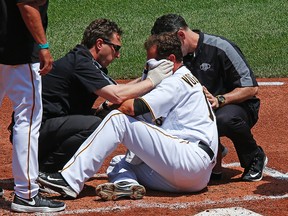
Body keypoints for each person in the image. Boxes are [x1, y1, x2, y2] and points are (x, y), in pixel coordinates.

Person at [37, 32, 218, 201]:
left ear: (171, 60)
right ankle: (127, 185)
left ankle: (70, 180)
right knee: (121, 162)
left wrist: (109, 107)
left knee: (118, 120)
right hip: (193, 177)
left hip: (188, 160)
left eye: (153, 61)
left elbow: (131, 108)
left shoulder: (176, 81)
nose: (148, 66)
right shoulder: (185, 80)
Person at [37, 18, 173, 173]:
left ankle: (49, 164)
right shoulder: (81, 63)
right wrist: (152, 80)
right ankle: (47, 169)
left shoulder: (87, 62)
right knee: (96, 124)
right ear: (100, 44)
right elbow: (117, 95)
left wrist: (144, 79)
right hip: (36, 131)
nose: (118, 55)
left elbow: (119, 90)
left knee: (104, 117)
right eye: (116, 48)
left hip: (47, 127)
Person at [150, 14, 267, 181]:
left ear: (181, 35)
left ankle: (254, 157)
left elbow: (251, 88)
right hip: (198, 111)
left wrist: (219, 100)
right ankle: (214, 150)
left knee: (223, 119)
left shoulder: (221, 47)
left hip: (235, 106)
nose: (166, 50)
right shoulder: (174, 56)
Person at [0, 0, 65, 213]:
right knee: (27, 120)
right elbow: (27, 4)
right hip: (17, 55)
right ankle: (26, 194)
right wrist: (43, 46)